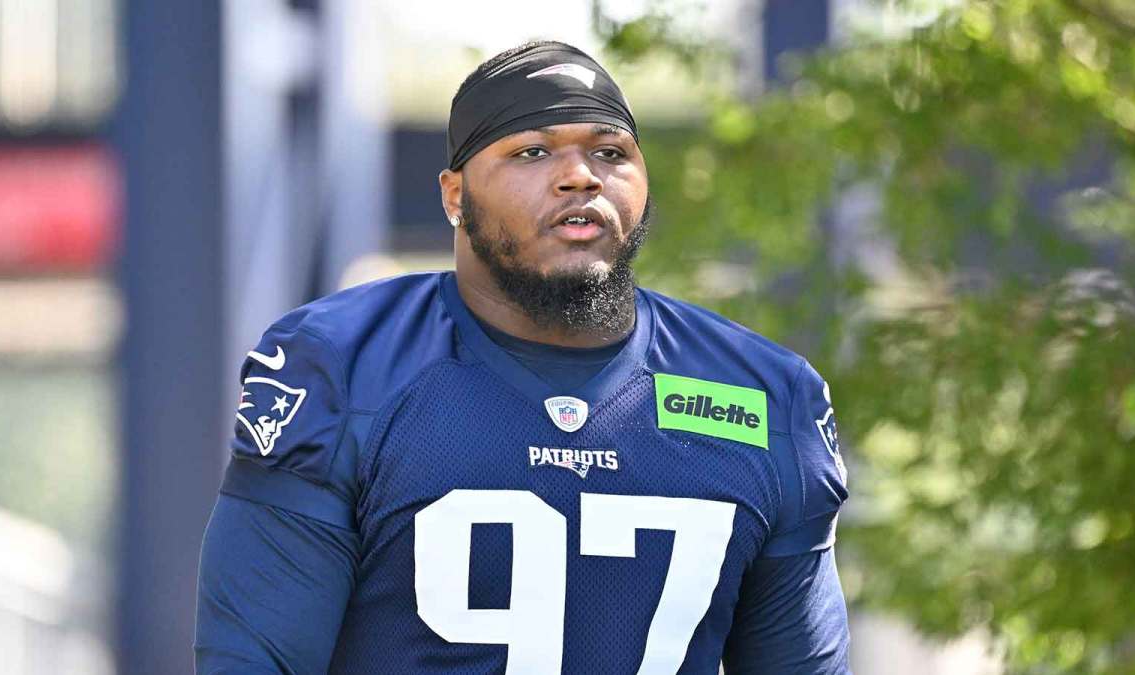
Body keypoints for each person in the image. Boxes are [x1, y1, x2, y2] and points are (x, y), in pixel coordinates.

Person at [196, 40, 851, 674]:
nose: (579, 175)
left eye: (610, 151)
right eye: (533, 151)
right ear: (455, 195)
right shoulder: (346, 364)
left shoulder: (763, 397)